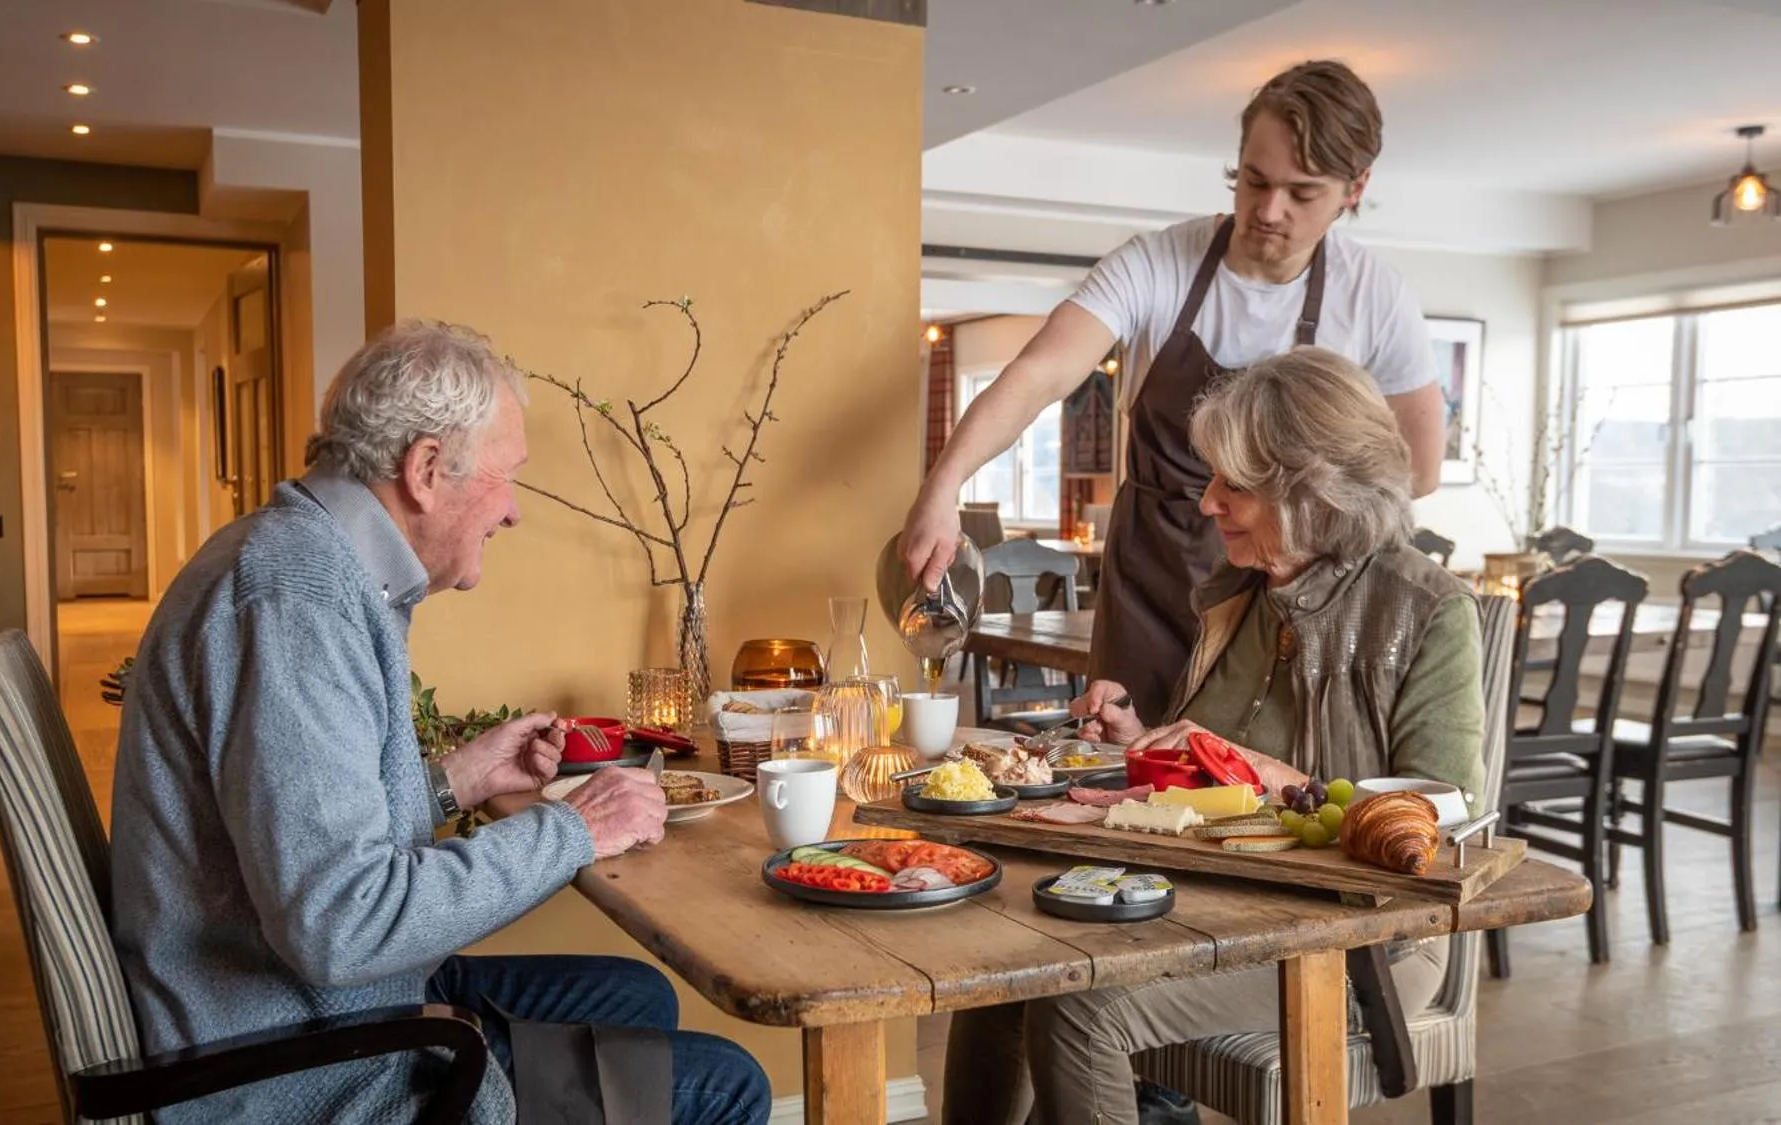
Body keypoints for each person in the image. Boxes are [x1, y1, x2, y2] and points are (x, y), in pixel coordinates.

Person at [109, 320, 770, 1124]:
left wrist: (458, 780)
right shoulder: (295, 600)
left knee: (634, 994)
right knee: (728, 1082)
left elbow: (299, 826)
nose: (514, 511)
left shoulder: (304, 560)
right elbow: (341, 925)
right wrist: (576, 829)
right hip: (292, 1058)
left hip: (317, 1002)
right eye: (508, 475)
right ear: (425, 468)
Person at [939, 347, 1485, 1125]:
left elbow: (1444, 815)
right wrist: (1141, 740)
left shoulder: (1426, 608)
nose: (1206, 503)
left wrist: (1259, 770)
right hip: (1217, 898)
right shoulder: (1242, 592)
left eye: (1234, 484)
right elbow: (1214, 783)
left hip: (1365, 937)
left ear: (1311, 487)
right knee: (998, 969)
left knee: (1080, 1011)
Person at [902, 59, 1446, 723]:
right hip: (1152, 585)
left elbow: (1417, 469)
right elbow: (1039, 373)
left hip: (1291, 600)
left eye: (1302, 193)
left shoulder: (1375, 296)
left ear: (1354, 188)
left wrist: (1301, 520)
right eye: (1255, 180)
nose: (1268, 210)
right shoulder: (1157, 264)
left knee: (1257, 774)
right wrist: (942, 486)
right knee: (1120, 763)